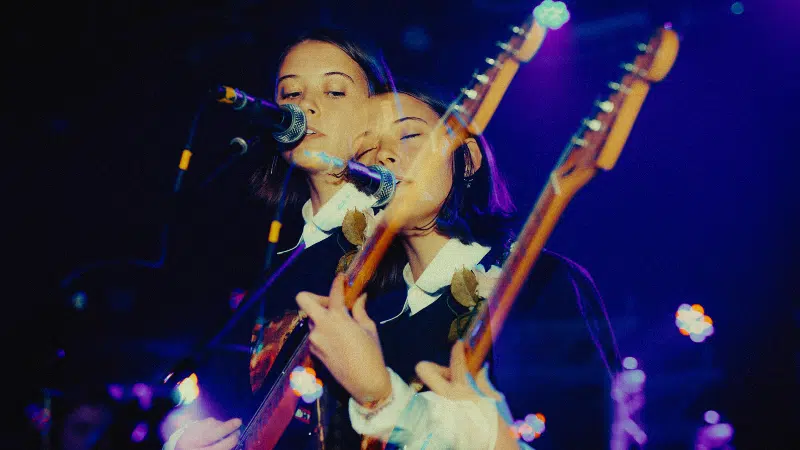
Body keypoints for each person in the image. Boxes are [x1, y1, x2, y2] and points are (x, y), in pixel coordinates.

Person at [295, 87, 618, 449]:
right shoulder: (364, 321)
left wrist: (382, 398)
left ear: (466, 159)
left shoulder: (536, 282)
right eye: (365, 149)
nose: (382, 155)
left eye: (409, 134)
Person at [164, 28, 394, 450]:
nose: (305, 106)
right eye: (290, 95)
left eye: (335, 91)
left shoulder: (404, 241)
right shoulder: (266, 255)